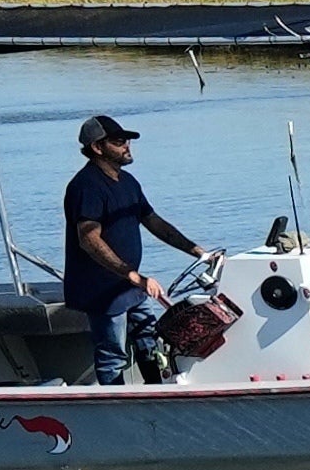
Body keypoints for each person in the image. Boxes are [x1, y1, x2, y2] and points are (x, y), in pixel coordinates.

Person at [58, 112, 207, 380]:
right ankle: (117, 411)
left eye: (127, 140)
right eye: (118, 141)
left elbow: (153, 221)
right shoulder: (86, 186)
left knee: (149, 341)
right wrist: (133, 275)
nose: (127, 146)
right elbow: (89, 239)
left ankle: (154, 396)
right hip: (101, 290)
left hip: (130, 286)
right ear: (97, 147)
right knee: (112, 355)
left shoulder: (127, 182)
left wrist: (197, 251)